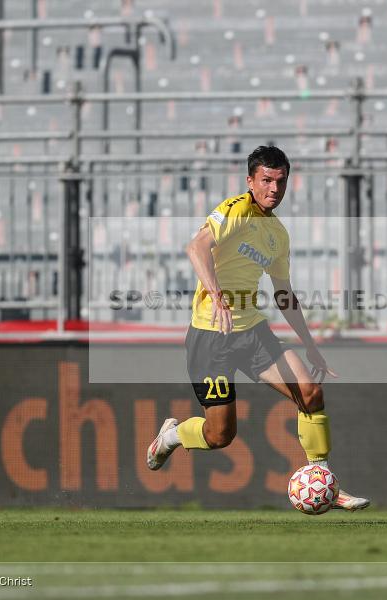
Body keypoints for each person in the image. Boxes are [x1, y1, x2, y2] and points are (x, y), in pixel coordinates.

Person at [146, 145, 369, 510]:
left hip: (251, 332)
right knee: (220, 435)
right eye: (266, 180)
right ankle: (170, 437)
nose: (274, 189)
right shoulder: (234, 211)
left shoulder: (277, 234)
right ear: (250, 181)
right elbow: (196, 248)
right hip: (210, 336)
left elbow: (284, 295)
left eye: (281, 182)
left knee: (310, 393)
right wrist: (216, 295)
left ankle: (323, 481)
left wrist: (310, 345)